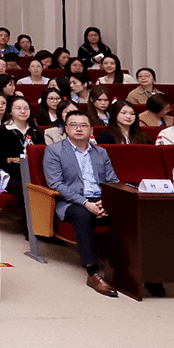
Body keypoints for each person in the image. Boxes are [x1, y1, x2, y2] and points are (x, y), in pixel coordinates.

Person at [42, 110, 121, 297]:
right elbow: (56, 184)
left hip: (100, 198)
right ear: (66, 129)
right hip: (71, 201)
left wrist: (106, 202)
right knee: (83, 215)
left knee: (130, 212)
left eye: (83, 125)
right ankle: (93, 272)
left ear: (91, 130)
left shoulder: (100, 152)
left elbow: (112, 181)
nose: (79, 129)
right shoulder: (54, 150)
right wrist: (85, 203)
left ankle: (133, 268)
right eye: (74, 125)